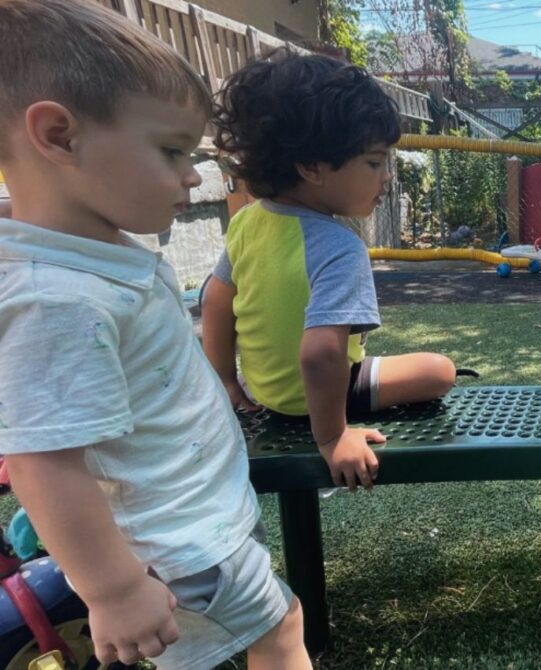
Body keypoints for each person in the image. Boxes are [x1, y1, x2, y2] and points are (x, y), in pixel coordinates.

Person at [0, 2, 311, 668]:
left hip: (187, 524)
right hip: (178, 544)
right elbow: (39, 460)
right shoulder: (56, 298)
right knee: (282, 630)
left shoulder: (88, 256)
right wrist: (112, 589)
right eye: (171, 150)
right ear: (58, 136)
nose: (193, 175)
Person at [202, 53, 456, 492]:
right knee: (439, 371)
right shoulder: (340, 248)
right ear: (312, 167)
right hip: (312, 401)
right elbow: (320, 355)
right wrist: (333, 437)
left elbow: (214, 302)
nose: (387, 178)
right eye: (375, 163)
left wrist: (225, 378)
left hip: (261, 389)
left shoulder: (246, 221)